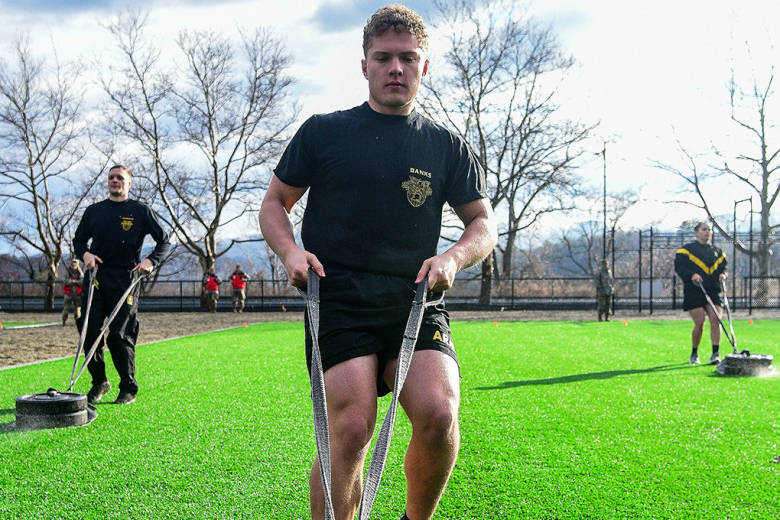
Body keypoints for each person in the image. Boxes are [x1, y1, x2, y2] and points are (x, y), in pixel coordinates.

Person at [259, 5, 497, 520]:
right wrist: (289, 252)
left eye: (408, 58)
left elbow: (483, 224)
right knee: (351, 428)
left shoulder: (444, 145)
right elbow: (275, 203)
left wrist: (453, 257)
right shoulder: (323, 133)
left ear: (424, 66)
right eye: (383, 57)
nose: (396, 68)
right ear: (364, 65)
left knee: (439, 413)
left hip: (414, 302)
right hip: (340, 301)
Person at [74, 165, 170, 405]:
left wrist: (150, 260)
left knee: (119, 334)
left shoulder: (140, 211)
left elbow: (164, 242)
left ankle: (128, 386)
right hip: (96, 277)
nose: (115, 181)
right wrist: (85, 254)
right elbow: (78, 240)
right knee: (89, 330)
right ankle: (99, 382)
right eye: (111, 178)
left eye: (120, 178)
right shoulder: (94, 211)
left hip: (125, 279)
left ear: (129, 183)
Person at [674, 221, 727, 365]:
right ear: (697, 232)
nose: (707, 232)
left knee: (716, 320)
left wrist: (723, 275)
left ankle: (715, 354)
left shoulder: (717, 252)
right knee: (700, 322)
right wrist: (692, 275)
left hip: (713, 290)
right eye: (704, 230)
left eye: (709, 230)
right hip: (694, 291)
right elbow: (679, 267)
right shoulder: (687, 251)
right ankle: (694, 353)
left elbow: (723, 268)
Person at [61, 259, 84, 326]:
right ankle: (64, 321)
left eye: (75, 265)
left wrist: (72, 281)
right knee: (66, 309)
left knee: (77, 310)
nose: (73, 266)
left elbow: (82, 281)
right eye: (72, 265)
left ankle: (77, 323)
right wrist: (76, 282)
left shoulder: (80, 272)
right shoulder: (67, 272)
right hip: (68, 294)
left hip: (77, 294)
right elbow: (65, 281)